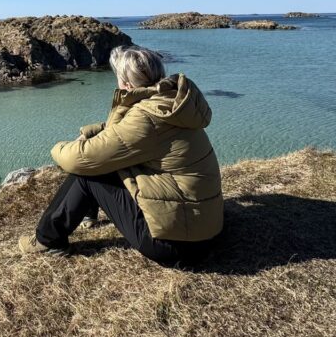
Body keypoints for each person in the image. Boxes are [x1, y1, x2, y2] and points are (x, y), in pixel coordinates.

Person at [18, 45, 224, 266]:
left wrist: (60, 147)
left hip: (177, 246)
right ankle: (87, 213)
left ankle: (47, 240)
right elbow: (125, 134)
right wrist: (92, 131)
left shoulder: (146, 119)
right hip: (206, 230)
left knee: (87, 173)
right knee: (106, 160)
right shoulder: (172, 103)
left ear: (126, 83)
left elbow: (79, 159)